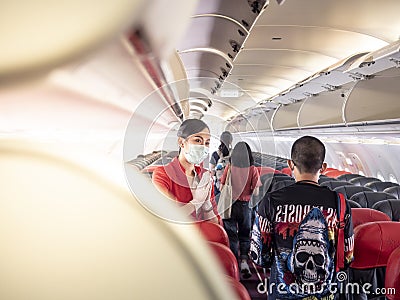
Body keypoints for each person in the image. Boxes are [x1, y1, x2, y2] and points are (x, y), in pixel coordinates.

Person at [250, 136, 354, 300]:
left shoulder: (270, 201)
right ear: (324, 167)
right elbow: (347, 257)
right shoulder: (340, 203)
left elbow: (260, 257)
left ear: (290, 164)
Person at [152, 119, 220, 224]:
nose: (203, 147)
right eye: (197, 140)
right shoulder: (162, 174)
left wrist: (207, 206)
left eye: (207, 143)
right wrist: (196, 203)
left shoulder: (204, 176)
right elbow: (166, 218)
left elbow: (216, 225)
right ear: (181, 142)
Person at [220, 141, 261, 279]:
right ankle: (244, 261)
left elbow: (221, 187)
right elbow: (255, 192)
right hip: (245, 206)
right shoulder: (253, 169)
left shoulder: (230, 168)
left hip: (230, 205)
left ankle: (234, 263)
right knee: (244, 234)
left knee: (231, 235)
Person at [209, 131, 233, 196]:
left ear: (220, 140)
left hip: (218, 185)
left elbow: (212, 172)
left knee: (218, 204)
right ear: (231, 141)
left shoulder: (215, 154)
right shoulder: (234, 153)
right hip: (231, 185)